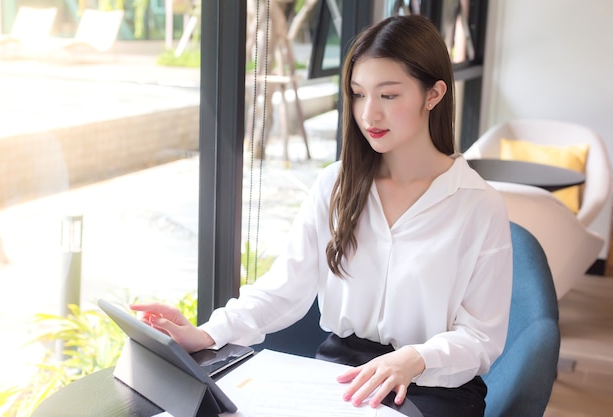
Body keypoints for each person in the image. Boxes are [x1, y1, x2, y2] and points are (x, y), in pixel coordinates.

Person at [131, 14, 512, 417]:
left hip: (432, 384)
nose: (369, 115)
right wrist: (206, 333)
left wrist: (416, 358)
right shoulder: (336, 185)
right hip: (340, 373)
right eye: (358, 94)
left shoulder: (477, 205)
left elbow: (481, 337)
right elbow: (283, 289)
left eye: (388, 96)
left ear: (433, 95)